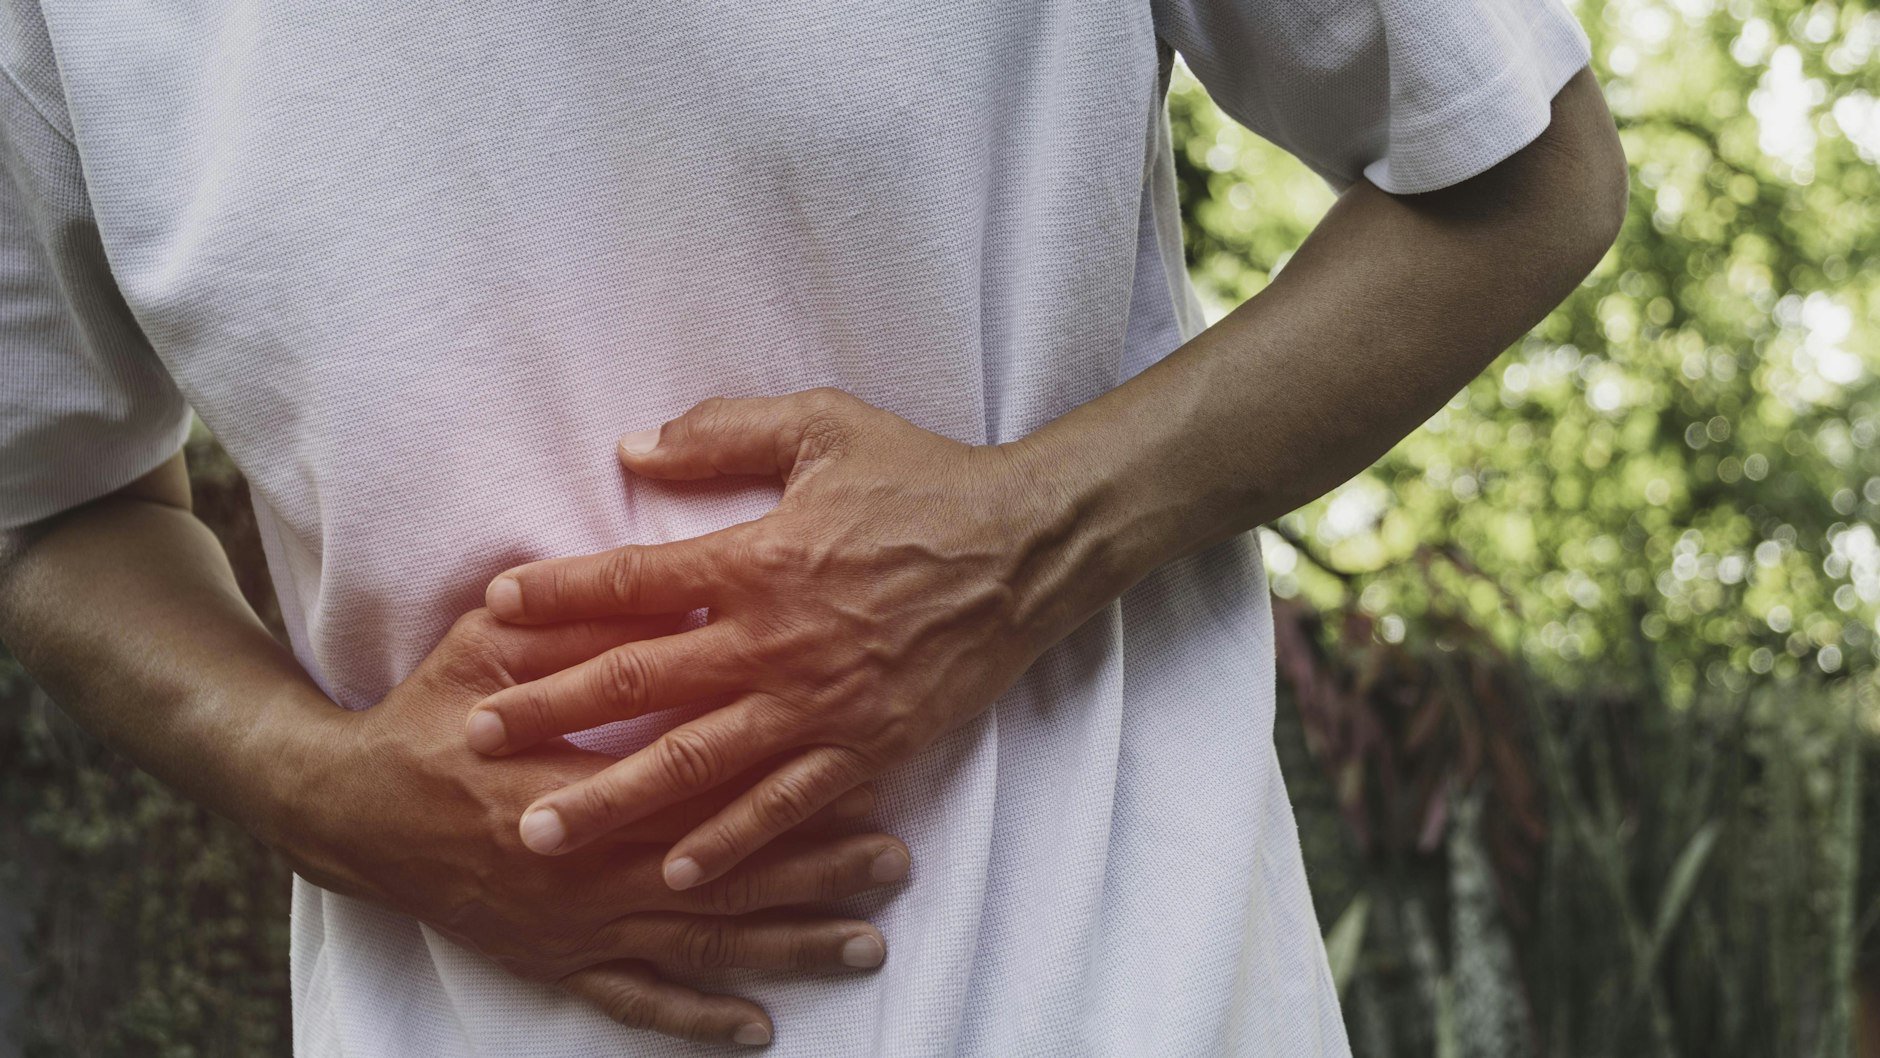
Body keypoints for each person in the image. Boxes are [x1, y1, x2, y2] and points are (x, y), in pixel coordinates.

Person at [0, 0, 1626, 1053]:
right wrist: (326, 788)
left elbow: (1522, 172)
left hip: (1117, 1000)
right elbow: (46, 503)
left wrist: (1017, 546)